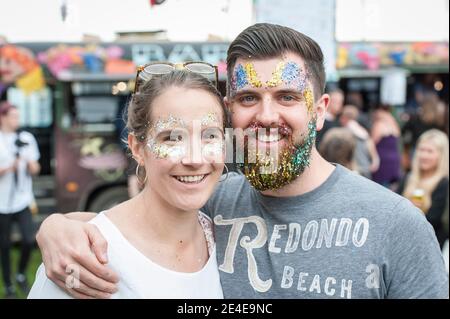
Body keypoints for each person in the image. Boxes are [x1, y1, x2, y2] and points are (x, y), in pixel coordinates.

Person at [35, 23, 448, 299]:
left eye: (287, 97)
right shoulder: (211, 200)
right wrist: (54, 227)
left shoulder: (396, 225)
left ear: (321, 110)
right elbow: (127, 228)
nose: (266, 116)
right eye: (249, 98)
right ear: (229, 110)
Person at [28, 68, 226, 298]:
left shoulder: (232, 239)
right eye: (172, 138)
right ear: (137, 148)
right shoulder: (81, 260)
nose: (194, 159)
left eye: (210, 136)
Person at [0, 101, 41, 298]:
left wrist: (31, 164)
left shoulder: (26, 138)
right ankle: (7, 284)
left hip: (22, 198)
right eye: (14, 116)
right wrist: (10, 167)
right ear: (3, 117)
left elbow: (36, 168)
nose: (17, 119)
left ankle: (21, 274)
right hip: (1, 202)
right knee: (4, 245)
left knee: (27, 239)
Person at [397, 129, 449, 249]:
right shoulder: (408, 177)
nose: (424, 155)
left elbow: (435, 219)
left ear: (441, 155)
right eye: (421, 150)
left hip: (429, 246)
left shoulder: (444, 184)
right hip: (403, 242)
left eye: (430, 151)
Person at [340, 104, 380, 179]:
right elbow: (370, 145)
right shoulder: (361, 130)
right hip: (366, 167)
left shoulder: (347, 130)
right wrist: (375, 160)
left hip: (355, 169)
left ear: (344, 117)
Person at [371, 105, 402, 189]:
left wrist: (374, 159)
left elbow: (372, 143)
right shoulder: (394, 125)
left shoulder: (379, 125)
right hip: (394, 159)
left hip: (383, 160)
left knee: (379, 188)